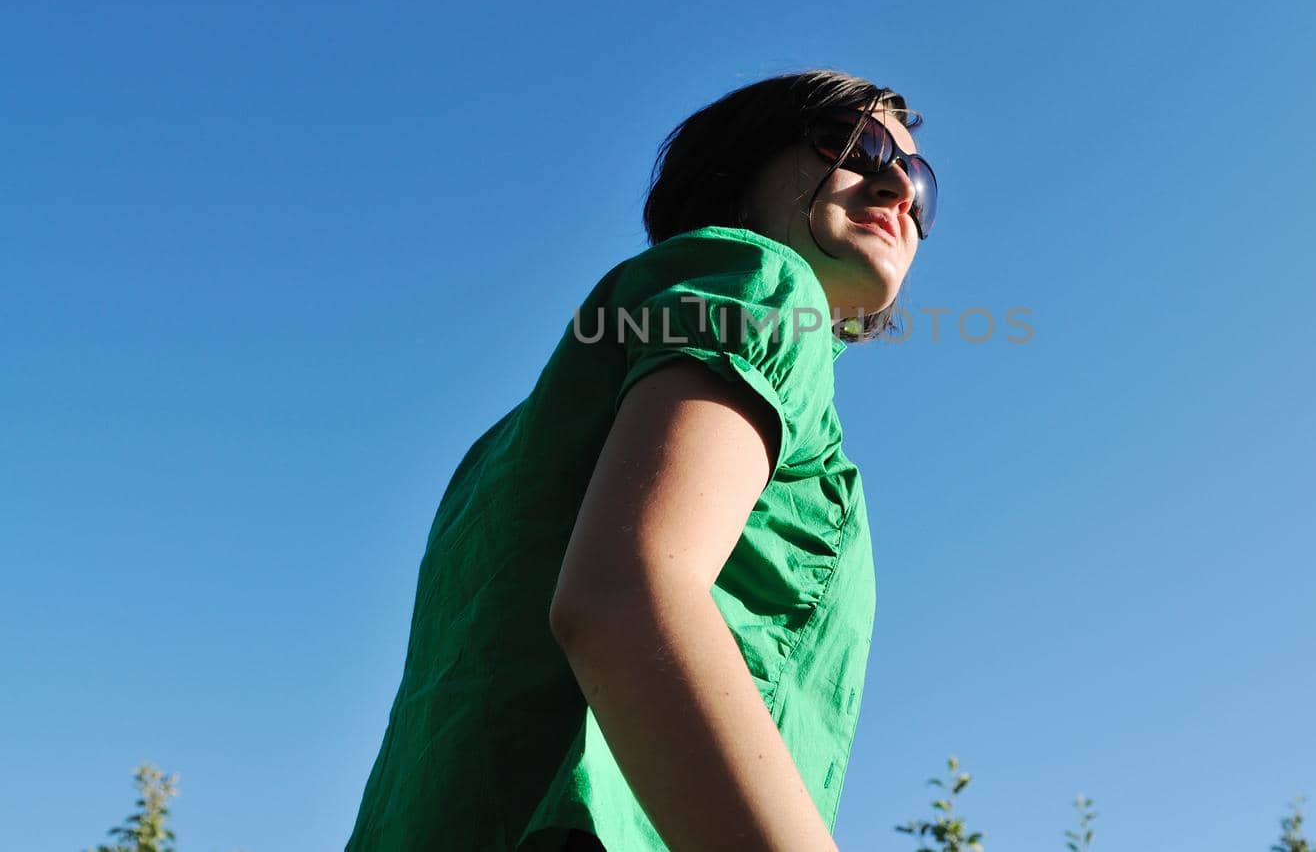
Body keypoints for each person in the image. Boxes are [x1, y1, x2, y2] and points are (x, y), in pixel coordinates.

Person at [345, 69, 939, 851]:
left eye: (922, 183)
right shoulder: (766, 287)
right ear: (738, 170)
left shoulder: (497, 456)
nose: (897, 183)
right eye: (856, 145)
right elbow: (623, 593)